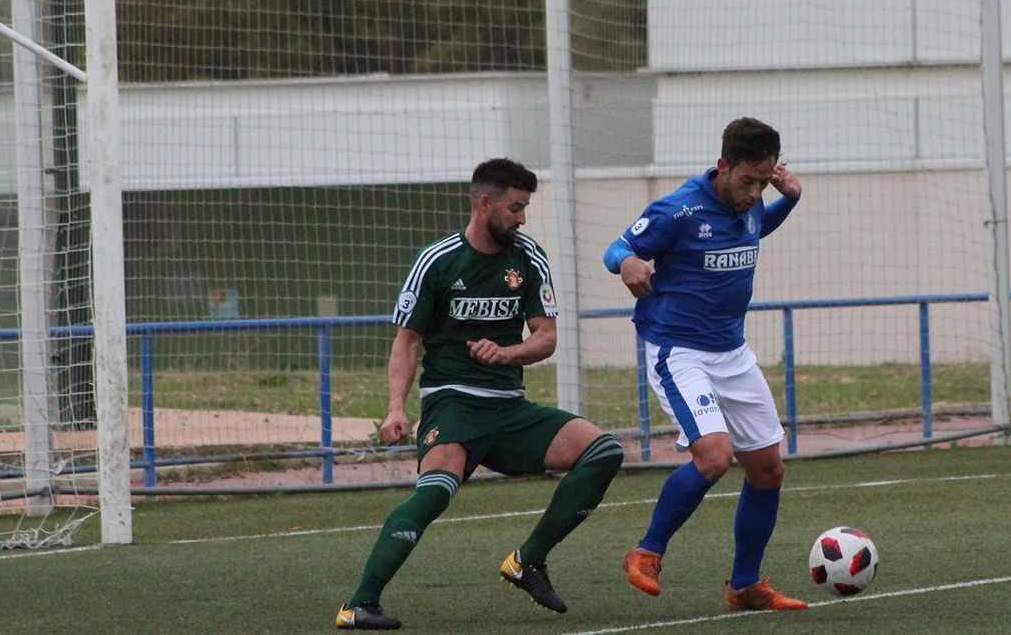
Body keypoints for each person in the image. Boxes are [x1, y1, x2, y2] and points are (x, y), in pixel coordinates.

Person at [336, 158, 625, 630]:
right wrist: (395, 409)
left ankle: (527, 561)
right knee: (435, 492)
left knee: (603, 451)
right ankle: (359, 605)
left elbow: (546, 337)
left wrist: (508, 353)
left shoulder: (528, 257)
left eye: (525, 208)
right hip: (452, 403)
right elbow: (406, 341)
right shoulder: (437, 261)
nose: (522, 218)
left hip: (510, 409)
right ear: (485, 203)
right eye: (515, 208)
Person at [606, 117, 808, 612]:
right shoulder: (679, 208)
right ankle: (647, 551)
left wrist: (791, 199)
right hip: (680, 351)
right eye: (748, 181)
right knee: (715, 457)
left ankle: (745, 586)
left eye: (765, 182)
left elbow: (756, 229)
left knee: (768, 470)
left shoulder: (752, 203)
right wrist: (626, 263)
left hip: (732, 352)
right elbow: (620, 246)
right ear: (723, 167)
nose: (755, 191)